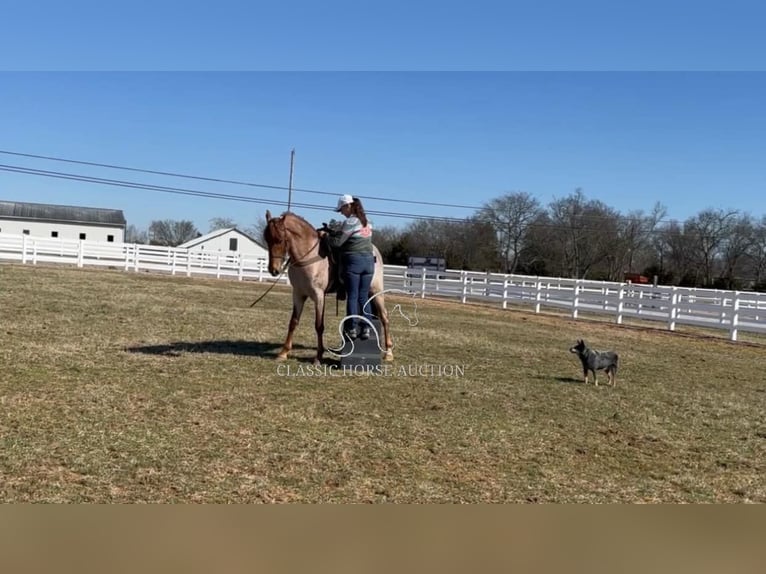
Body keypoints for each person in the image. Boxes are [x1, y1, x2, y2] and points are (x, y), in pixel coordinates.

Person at [321, 194, 375, 340]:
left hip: (354, 261)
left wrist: (326, 236)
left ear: (348, 206)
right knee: (364, 296)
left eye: (342, 209)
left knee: (352, 295)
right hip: (369, 262)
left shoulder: (351, 221)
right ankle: (366, 328)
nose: (341, 213)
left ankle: (351, 328)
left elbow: (338, 243)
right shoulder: (368, 221)